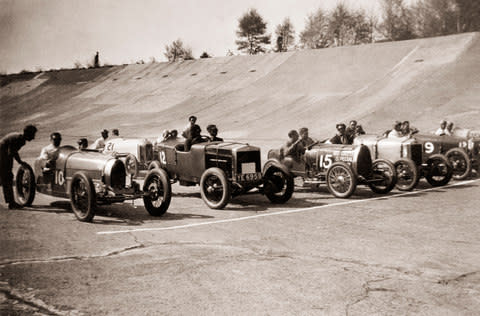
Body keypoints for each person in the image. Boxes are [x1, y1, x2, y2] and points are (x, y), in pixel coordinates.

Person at [0, 124, 37, 209]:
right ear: (28, 134)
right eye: (33, 135)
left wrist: (20, 162)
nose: (33, 137)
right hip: (2, 156)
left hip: (3, 155)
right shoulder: (19, 139)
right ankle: (11, 203)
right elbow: (10, 153)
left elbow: (13, 152)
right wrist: (12, 167)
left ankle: (10, 202)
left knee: (7, 178)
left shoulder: (19, 138)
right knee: (7, 178)